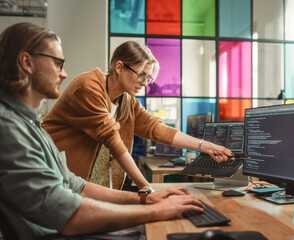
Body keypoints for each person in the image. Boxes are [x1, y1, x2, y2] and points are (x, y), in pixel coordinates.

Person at [0, 22, 204, 240]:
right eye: (58, 64)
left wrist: (144, 199)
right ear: (27, 62)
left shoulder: (31, 126)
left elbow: (74, 184)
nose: (64, 74)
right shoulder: (9, 128)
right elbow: (67, 214)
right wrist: (153, 208)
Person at [42, 40, 234, 190]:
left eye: (148, 78)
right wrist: (145, 187)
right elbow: (113, 141)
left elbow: (156, 129)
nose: (145, 83)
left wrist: (205, 146)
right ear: (119, 67)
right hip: (55, 178)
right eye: (141, 75)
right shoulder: (88, 88)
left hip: (91, 188)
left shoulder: (127, 102)